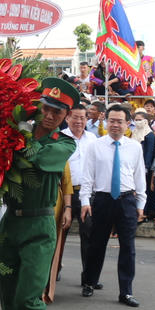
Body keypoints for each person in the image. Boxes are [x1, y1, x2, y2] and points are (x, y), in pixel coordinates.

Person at [0, 79, 76, 310]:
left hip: (40, 226)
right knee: (8, 302)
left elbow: (38, 159)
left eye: (58, 112)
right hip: (10, 223)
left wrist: (16, 134)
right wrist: (17, 123)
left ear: (66, 115)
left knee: (27, 296)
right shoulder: (19, 133)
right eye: (45, 108)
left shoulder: (64, 144)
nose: (50, 116)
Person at [79, 103, 147, 306]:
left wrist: (141, 203)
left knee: (128, 247)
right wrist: (85, 201)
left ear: (127, 124)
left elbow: (140, 176)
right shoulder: (95, 145)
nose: (115, 125)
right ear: (106, 122)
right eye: (112, 121)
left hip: (127, 200)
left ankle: (126, 292)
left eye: (120, 121)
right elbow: (87, 176)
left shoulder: (135, 147)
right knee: (96, 243)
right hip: (102, 199)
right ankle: (89, 282)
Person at [64, 102, 97, 291]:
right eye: (75, 117)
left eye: (82, 118)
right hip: (65, 194)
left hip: (87, 195)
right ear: (67, 118)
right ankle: (53, 272)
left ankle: (88, 278)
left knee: (89, 237)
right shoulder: (60, 138)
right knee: (60, 235)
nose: (79, 121)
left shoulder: (92, 139)